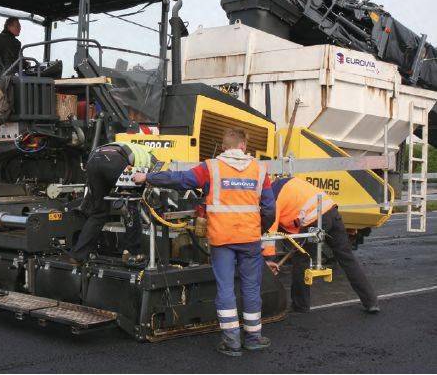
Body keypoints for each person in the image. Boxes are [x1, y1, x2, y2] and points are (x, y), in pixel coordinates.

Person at [133, 128, 275, 356]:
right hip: (249, 238)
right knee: (250, 287)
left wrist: (147, 177)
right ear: (243, 147)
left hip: (222, 239)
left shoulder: (211, 167)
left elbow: (180, 180)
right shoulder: (259, 169)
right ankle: (254, 337)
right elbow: (269, 207)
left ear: (224, 146)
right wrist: (260, 228)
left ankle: (232, 342)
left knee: (226, 288)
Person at [265, 176, 379, 314]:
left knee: (302, 261)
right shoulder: (286, 182)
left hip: (313, 220)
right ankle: (371, 301)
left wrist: (269, 260)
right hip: (331, 211)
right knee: (347, 258)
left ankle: (301, 306)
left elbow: (270, 233)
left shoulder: (272, 197)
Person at [69, 142, 155, 264]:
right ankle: (133, 253)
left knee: (99, 213)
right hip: (114, 161)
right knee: (131, 205)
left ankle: (78, 255)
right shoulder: (150, 157)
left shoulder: (132, 147)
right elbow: (148, 178)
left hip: (93, 160)